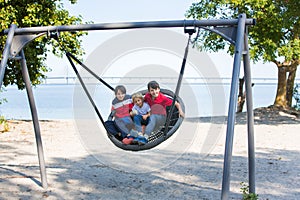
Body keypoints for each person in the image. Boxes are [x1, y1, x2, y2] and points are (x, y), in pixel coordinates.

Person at [134, 81, 185, 145]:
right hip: (151, 117)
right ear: (149, 91)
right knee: (137, 117)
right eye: (152, 90)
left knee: (153, 116)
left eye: (156, 89)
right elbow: (141, 101)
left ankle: (145, 137)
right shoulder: (147, 96)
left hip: (161, 118)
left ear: (159, 89)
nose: (154, 92)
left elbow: (177, 104)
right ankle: (139, 135)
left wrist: (180, 111)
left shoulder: (163, 98)